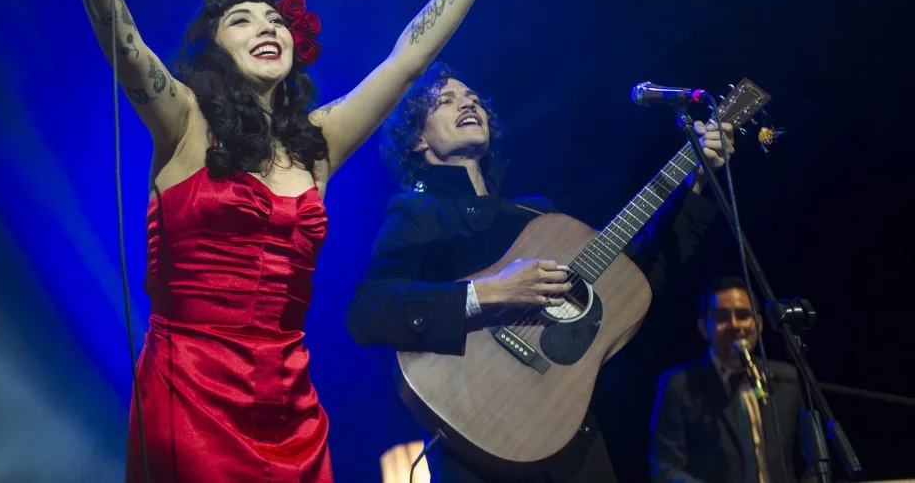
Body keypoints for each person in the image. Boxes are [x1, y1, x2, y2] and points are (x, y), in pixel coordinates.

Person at [6, 0, 530, 482]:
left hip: (289, 404)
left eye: (276, 19)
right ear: (215, 48)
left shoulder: (317, 143)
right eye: (244, 19)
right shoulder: (184, 122)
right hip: (191, 395)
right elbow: (124, 45)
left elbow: (409, 57)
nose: (268, 26)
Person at [346, 63, 735, 483]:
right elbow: (369, 312)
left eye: (473, 96)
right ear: (418, 139)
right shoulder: (417, 215)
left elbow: (630, 285)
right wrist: (488, 293)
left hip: (569, 440)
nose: (467, 102)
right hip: (475, 441)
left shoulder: (538, 213)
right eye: (445, 100)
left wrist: (695, 186)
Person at [649, 276, 810, 483]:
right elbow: (665, 468)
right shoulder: (679, 384)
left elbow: (811, 464)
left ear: (759, 324)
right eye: (721, 317)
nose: (734, 325)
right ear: (703, 327)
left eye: (743, 315)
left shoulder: (786, 379)